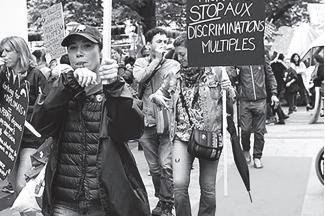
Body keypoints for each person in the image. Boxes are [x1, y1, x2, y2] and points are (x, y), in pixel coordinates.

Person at [31, 24, 150, 216]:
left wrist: (115, 88)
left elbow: (131, 131)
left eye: (87, 46)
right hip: (64, 199)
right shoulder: (61, 86)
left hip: (104, 200)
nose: (79, 53)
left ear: (100, 51)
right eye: (73, 48)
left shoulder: (116, 87)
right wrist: (69, 85)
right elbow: (40, 125)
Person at [149, 33, 236, 216]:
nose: (180, 58)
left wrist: (228, 89)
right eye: (178, 54)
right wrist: (158, 99)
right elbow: (158, 94)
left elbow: (231, 101)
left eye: (183, 54)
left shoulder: (216, 72)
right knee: (179, 186)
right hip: (181, 137)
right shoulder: (173, 75)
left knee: (208, 189)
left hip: (210, 136)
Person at [133, 27, 180, 216]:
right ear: (149, 45)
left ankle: (167, 204)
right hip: (146, 122)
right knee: (153, 168)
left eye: (164, 41)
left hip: (167, 121)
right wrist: (156, 61)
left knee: (166, 165)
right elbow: (140, 78)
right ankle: (162, 198)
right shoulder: (140, 63)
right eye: (158, 42)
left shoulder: (174, 64)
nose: (163, 45)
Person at [0, 36, 48, 216]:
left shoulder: (36, 75)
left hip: (30, 138)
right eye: (1, 51)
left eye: (7, 50)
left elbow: (46, 105)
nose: (3, 55)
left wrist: (23, 111)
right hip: (8, 139)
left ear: (19, 51)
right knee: (16, 188)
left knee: (23, 184)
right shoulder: (3, 74)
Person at [229, 56, 279, 168]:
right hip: (245, 100)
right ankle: (246, 150)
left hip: (260, 100)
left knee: (260, 131)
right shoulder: (239, 58)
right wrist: (233, 70)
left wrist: (274, 93)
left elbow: (270, 76)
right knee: (245, 130)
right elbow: (231, 77)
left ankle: (257, 156)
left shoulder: (262, 57)